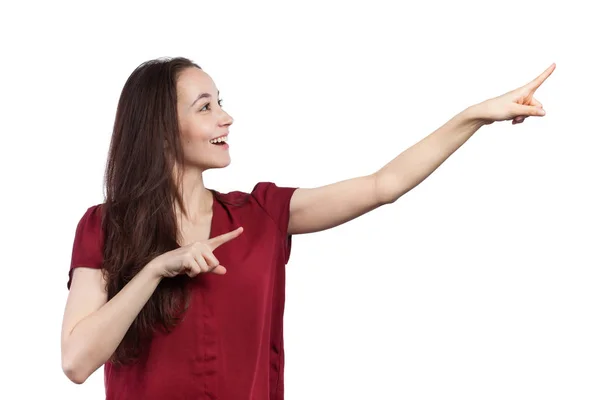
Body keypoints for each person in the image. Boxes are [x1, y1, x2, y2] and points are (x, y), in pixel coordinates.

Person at [61, 57, 555, 399]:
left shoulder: (262, 214)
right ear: (160, 127)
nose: (227, 118)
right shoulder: (105, 227)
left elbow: (385, 184)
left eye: (221, 103)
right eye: (206, 106)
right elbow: (76, 362)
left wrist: (473, 117)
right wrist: (154, 271)